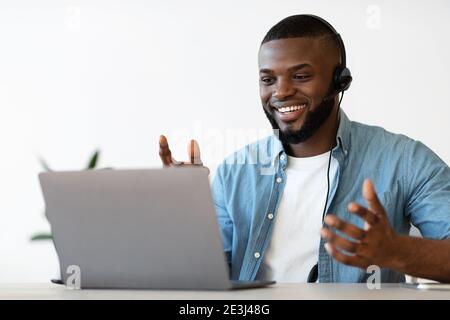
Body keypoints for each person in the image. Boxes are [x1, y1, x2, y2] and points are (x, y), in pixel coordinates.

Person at [158, 14, 450, 283]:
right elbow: (203, 279)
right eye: (268, 79)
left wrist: (396, 251)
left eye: (300, 76)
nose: (281, 92)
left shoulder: (405, 160)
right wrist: (187, 214)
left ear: (340, 82)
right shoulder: (234, 172)